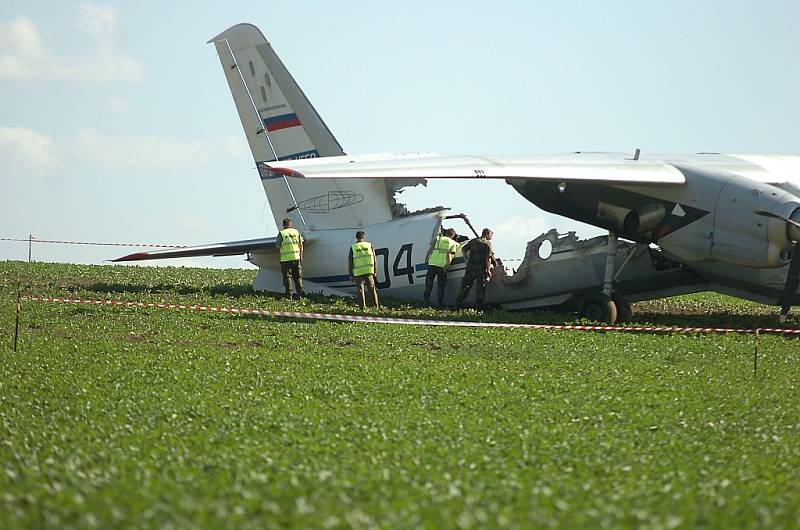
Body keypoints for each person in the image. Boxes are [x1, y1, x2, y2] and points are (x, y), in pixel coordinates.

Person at [456, 228, 494, 309]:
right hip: (481, 269)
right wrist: (488, 270)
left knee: (465, 286)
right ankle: (477, 307)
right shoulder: (488, 244)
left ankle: (458, 303)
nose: (491, 237)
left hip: (470, 267)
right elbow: (488, 258)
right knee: (480, 288)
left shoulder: (474, 241)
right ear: (486, 234)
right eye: (491, 235)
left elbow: (464, 249)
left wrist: (466, 260)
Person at [423, 228, 459, 306]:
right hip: (442, 266)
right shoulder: (453, 243)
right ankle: (439, 303)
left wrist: (426, 259)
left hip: (432, 263)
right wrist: (447, 266)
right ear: (453, 235)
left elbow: (431, 249)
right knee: (441, 286)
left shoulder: (438, 239)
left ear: (446, 233)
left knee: (429, 283)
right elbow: (450, 255)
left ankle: (426, 300)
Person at [349, 231, 380, 310]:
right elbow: (374, 258)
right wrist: (375, 270)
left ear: (356, 238)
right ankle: (375, 307)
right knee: (372, 289)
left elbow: (350, 262)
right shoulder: (369, 245)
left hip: (358, 272)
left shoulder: (353, 247)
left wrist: (351, 274)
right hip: (369, 271)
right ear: (364, 237)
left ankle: (362, 308)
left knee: (360, 291)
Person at [276, 217, 305, 299]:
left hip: (286, 259)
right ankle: (300, 295)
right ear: (291, 224)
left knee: (288, 278)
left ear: (283, 225)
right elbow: (301, 245)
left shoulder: (282, 233)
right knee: (298, 277)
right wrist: (301, 256)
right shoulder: (296, 232)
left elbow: (278, 245)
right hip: (296, 258)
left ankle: (289, 296)